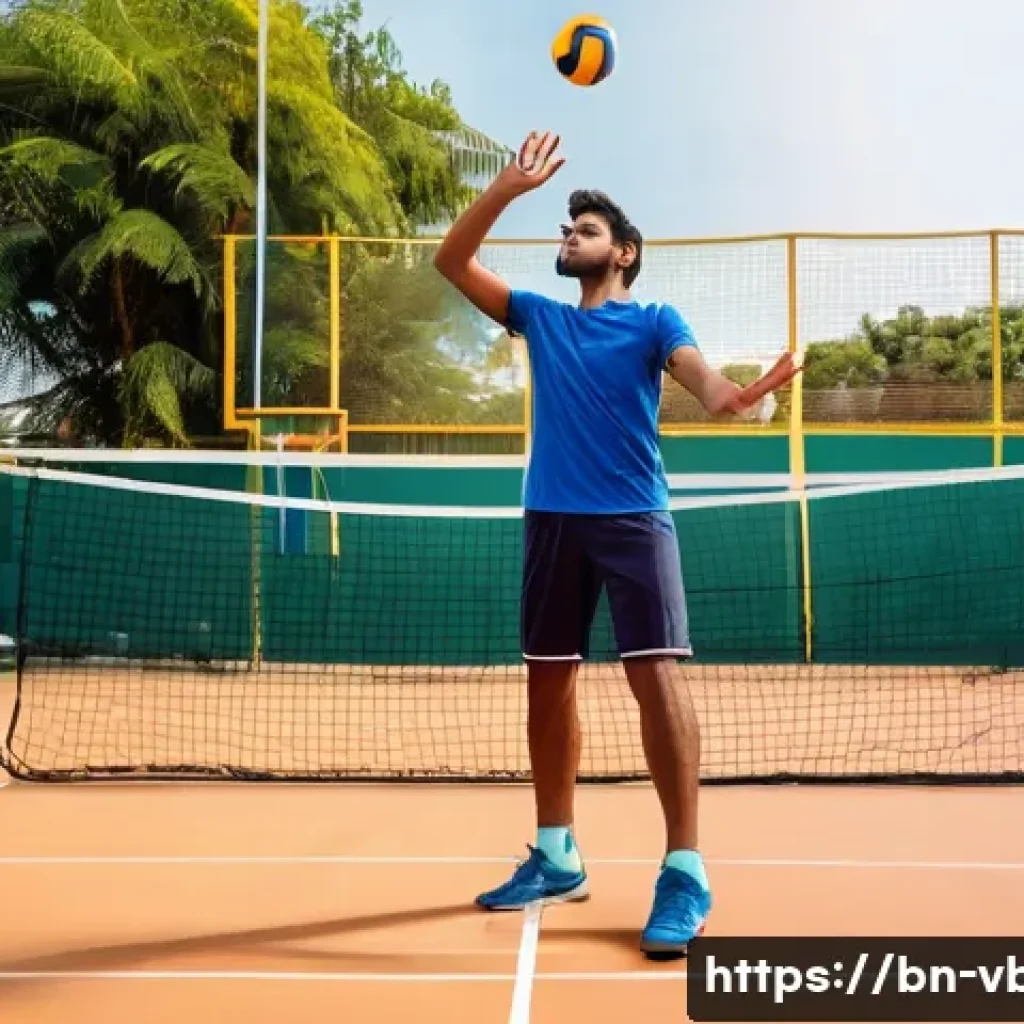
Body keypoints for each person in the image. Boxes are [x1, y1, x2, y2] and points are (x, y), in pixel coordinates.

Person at [432, 130, 801, 958]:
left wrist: (739, 395)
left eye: (587, 230)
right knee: (547, 682)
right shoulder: (540, 317)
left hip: (634, 517)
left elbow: (705, 388)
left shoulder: (654, 320)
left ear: (625, 254)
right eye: (567, 230)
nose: (571, 239)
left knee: (655, 677)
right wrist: (507, 189)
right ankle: (556, 853)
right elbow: (451, 263)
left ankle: (684, 869)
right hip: (552, 518)